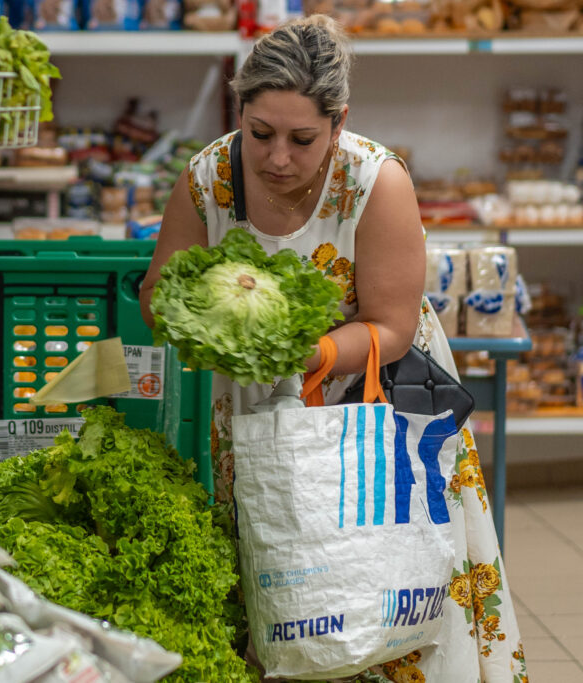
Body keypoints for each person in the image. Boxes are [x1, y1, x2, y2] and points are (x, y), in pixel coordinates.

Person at [140, 15, 528, 683]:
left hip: (375, 401)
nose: (278, 157)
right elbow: (158, 290)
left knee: (388, 579)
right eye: (260, 134)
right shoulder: (209, 179)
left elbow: (390, 326)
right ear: (240, 112)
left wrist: (304, 355)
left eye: (302, 138)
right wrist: (208, 323)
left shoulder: (376, 183)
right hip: (257, 404)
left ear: (339, 121)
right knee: (286, 578)